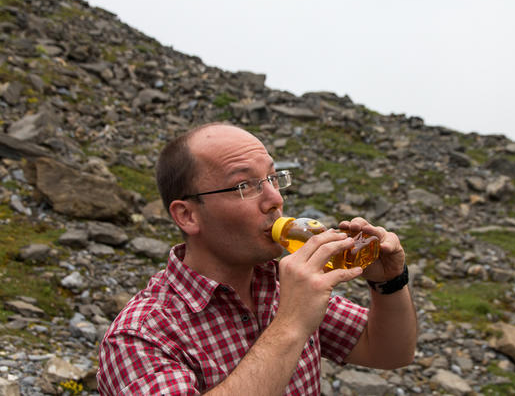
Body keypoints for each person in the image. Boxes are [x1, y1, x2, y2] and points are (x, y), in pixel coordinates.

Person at [97, 123, 416, 395]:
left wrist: (388, 281)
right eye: (244, 185)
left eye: (273, 178)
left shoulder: (279, 281)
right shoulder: (139, 337)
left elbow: (389, 352)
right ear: (188, 215)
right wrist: (291, 324)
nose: (276, 199)